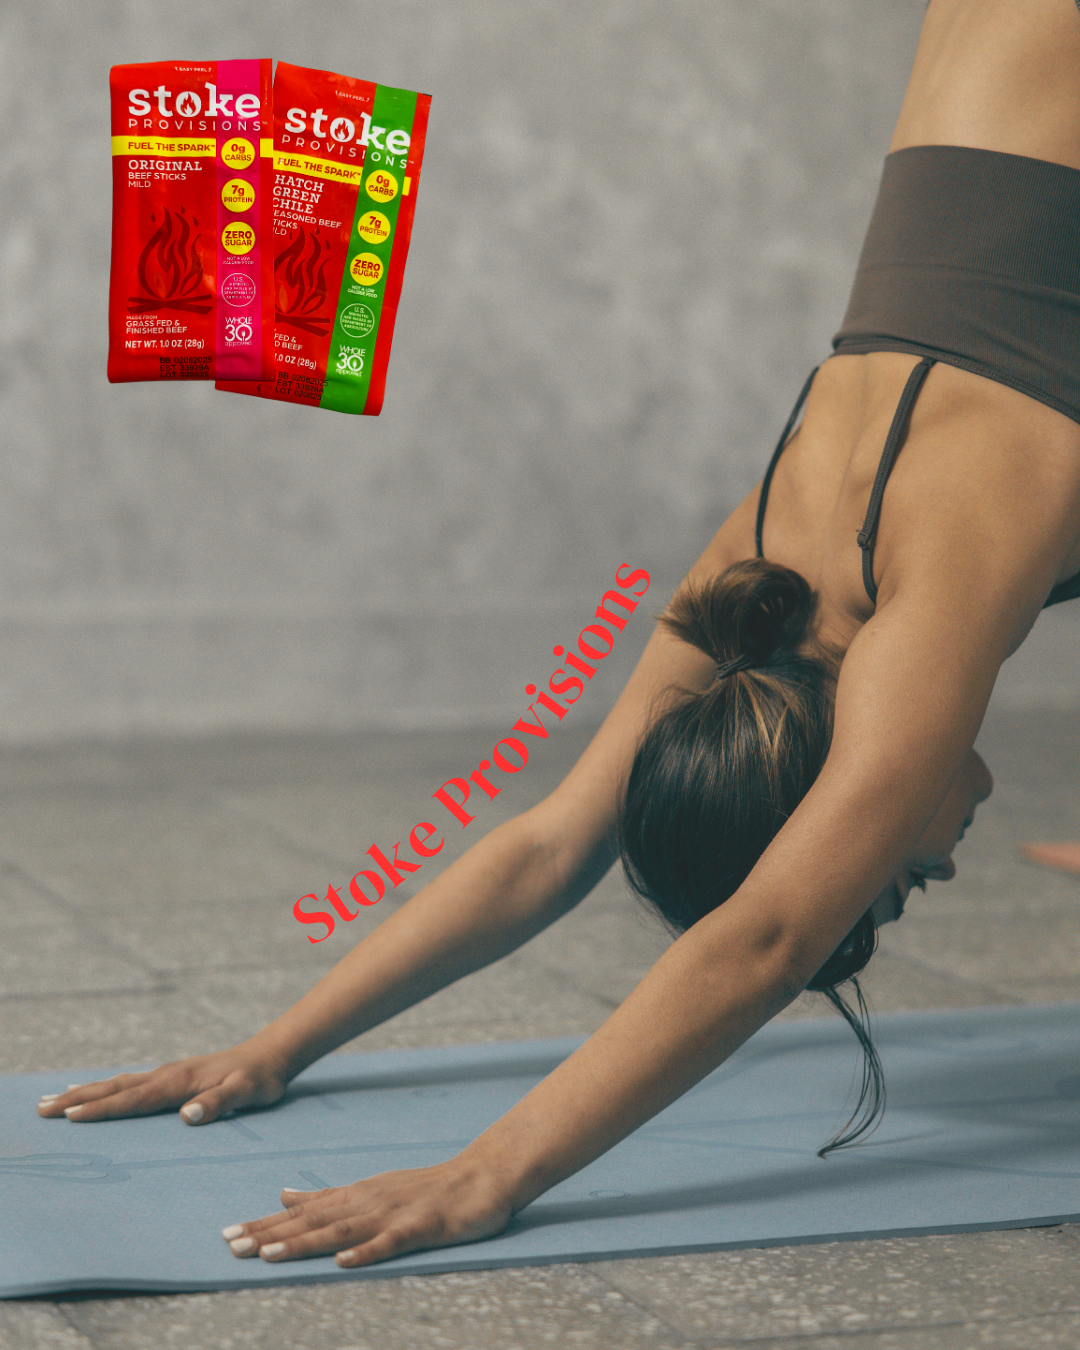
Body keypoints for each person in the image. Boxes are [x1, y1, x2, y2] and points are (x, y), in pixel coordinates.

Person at [38, 0, 1080, 1270]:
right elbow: (546, 850)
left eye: (898, 877)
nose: (942, 867)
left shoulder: (918, 591)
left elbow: (752, 925)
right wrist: (275, 1052)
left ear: (831, 777)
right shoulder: (772, 568)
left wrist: (483, 1170)